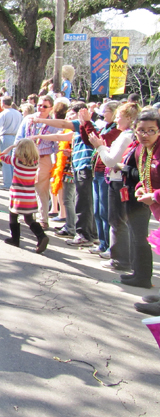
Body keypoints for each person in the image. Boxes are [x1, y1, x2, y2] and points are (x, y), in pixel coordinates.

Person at [34, 102, 97, 247]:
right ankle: (75, 228)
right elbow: (59, 137)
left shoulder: (86, 125)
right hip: (74, 167)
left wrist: (40, 120)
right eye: (68, 115)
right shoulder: (80, 129)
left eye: (72, 115)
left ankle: (83, 233)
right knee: (72, 200)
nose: (69, 118)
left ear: (82, 113)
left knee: (81, 202)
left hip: (83, 167)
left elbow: (62, 125)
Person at [89, 103, 139, 272]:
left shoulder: (126, 136)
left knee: (116, 220)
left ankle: (119, 259)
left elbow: (110, 160)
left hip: (118, 181)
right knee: (119, 220)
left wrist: (100, 146)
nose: (116, 118)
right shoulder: (128, 136)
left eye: (119, 116)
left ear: (129, 118)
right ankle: (122, 257)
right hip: (120, 180)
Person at [114, 108, 160, 290]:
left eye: (151, 130)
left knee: (140, 237)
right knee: (138, 235)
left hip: (155, 200)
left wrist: (154, 195)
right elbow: (143, 175)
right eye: (141, 130)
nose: (145, 134)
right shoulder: (141, 149)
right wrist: (141, 189)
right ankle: (140, 276)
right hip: (150, 203)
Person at [79, 100, 121, 255]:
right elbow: (90, 141)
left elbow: (99, 141)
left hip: (107, 172)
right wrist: (84, 124)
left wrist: (88, 122)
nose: (103, 113)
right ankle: (103, 243)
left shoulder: (117, 131)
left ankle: (111, 245)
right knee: (97, 210)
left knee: (105, 211)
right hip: (96, 171)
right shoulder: (107, 127)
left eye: (107, 110)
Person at [0, 138, 49, 254]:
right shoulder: (35, 162)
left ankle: (15, 239)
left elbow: (1, 155)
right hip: (30, 196)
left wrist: (11, 147)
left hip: (17, 195)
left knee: (13, 216)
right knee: (29, 219)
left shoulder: (17, 161)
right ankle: (41, 236)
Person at [16, 95, 58, 227]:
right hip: (26, 158)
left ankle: (43, 219)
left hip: (43, 158)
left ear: (51, 108)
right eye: (39, 105)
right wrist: (15, 155)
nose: (41, 108)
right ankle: (29, 215)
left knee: (41, 188)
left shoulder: (53, 123)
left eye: (45, 106)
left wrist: (57, 163)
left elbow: (57, 144)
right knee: (27, 188)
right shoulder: (28, 119)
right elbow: (20, 137)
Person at [0, 96, 23, 190]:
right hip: (16, 137)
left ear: (3, 103)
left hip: (6, 136)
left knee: (5, 161)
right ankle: (15, 182)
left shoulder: (3, 114)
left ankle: (7, 183)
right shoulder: (18, 113)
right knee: (14, 161)